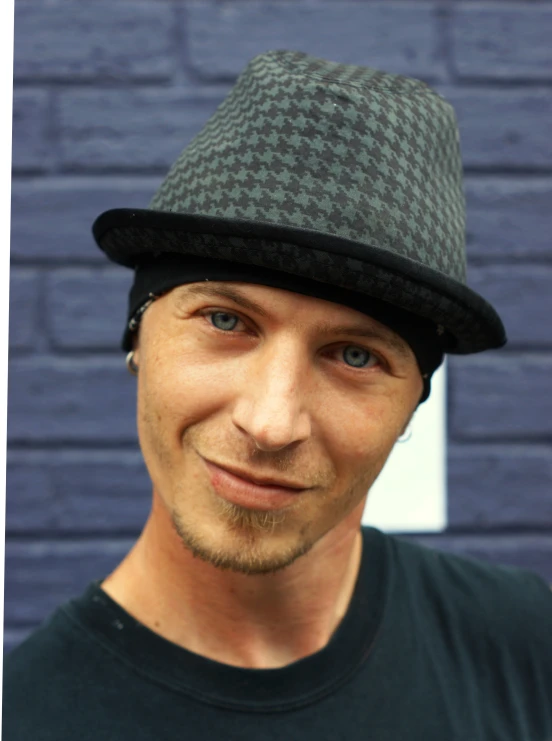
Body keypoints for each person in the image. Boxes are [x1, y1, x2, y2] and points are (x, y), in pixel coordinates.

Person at [3, 50, 551, 740]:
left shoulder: (522, 645)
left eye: (355, 355)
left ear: (412, 402)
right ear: (137, 337)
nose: (269, 421)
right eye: (226, 320)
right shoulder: (26, 717)